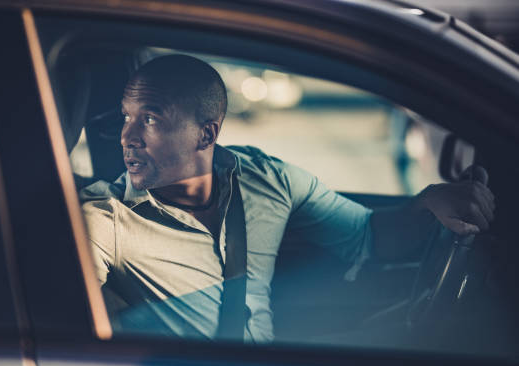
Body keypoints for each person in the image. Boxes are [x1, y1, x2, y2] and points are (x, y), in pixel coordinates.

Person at [80, 55, 495, 342]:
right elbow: (52, 330)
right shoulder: (106, 220)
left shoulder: (268, 179)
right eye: (126, 117)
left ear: (205, 134)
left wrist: (431, 201)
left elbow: (368, 235)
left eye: (149, 119)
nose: (127, 136)